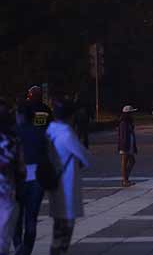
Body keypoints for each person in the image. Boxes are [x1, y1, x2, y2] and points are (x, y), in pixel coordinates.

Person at [47, 99, 90, 255]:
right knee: (66, 225)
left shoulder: (49, 130)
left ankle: (56, 250)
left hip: (54, 183)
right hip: (67, 184)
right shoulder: (67, 134)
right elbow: (85, 157)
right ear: (70, 116)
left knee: (57, 224)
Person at [13, 101, 47, 255]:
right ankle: (26, 250)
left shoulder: (12, 132)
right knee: (31, 218)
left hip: (17, 179)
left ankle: (19, 246)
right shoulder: (40, 132)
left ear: (19, 115)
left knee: (16, 218)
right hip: (37, 178)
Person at [0, 99, 25, 255]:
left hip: (7, 187)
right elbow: (21, 168)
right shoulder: (14, 140)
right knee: (5, 227)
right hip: (6, 189)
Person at [118, 106, 138, 187]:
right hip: (125, 145)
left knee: (132, 161)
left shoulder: (129, 123)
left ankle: (126, 178)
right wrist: (124, 146)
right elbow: (123, 136)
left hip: (130, 144)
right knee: (125, 162)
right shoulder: (123, 123)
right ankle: (125, 180)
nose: (133, 114)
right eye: (131, 112)